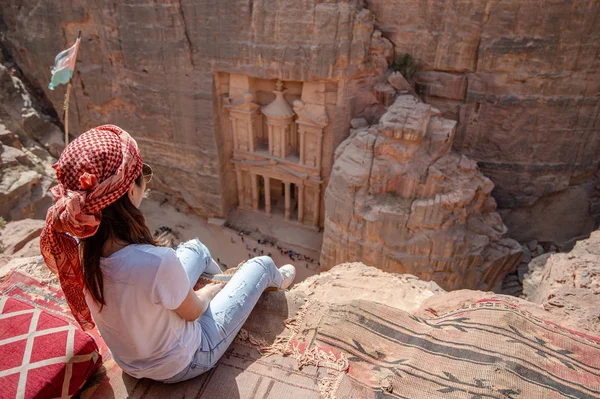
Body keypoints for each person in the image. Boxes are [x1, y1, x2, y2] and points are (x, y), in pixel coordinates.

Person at [40, 125, 296, 383]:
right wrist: (213, 290)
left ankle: (215, 292)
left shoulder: (76, 252)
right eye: (142, 174)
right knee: (261, 265)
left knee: (195, 248)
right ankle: (275, 284)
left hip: (130, 362)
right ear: (130, 191)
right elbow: (194, 312)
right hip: (185, 360)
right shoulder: (156, 262)